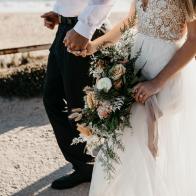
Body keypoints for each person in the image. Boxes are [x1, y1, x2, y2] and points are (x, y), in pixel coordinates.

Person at [71, 0, 196, 195]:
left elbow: (194, 40)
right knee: (126, 142)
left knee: (140, 142)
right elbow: (131, 20)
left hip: (165, 73)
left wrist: (156, 83)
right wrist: (95, 45)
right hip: (136, 65)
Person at [41, 0, 116, 190]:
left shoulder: (84, 28)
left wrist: (83, 28)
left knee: (79, 106)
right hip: (66, 27)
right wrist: (59, 13)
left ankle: (87, 165)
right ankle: (84, 162)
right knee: (52, 98)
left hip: (84, 31)